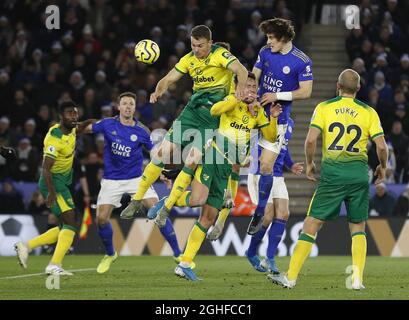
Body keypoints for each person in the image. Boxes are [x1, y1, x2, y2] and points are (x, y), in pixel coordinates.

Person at [269, 69, 388, 290]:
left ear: (338, 86)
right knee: (358, 227)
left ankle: (291, 277)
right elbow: (381, 146)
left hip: (333, 174)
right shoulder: (368, 111)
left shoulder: (324, 108)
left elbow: (310, 141)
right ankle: (356, 280)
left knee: (311, 224)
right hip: (359, 174)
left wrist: (311, 163)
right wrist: (382, 166)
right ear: (359, 89)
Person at [120, 25, 248, 220]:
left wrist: (241, 87)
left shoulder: (220, 55)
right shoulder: (189, 59)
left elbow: (241, 69)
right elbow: (169, 78)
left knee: (191, 161)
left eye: (200, 45)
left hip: (211, 119)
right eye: (193, 45)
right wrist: (158, 89)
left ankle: (167, 207)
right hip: (192, 112)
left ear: (210, 43)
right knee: (163, 152)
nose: (196, 49)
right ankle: (136, 200)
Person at [161, 72, 280, 281]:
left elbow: (270, 136)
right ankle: (167, 202)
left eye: (254, 86)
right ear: (239, 86)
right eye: (247, 85)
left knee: (208, 216)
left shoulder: (257, 111)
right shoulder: (231, 100)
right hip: (215, 156)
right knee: (197, 200)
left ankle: (185, 263)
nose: (251, 89)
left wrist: (272, 117)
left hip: (228, 168)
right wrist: (237, 98)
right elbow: (215, 110)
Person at [82, 92, 186, 273]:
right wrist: (66, 128)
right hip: (111, 180)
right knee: (101, 219)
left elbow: (154, 154)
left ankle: (178, 254)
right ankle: (110, 254)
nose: (128, 106)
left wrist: (161, 171)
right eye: (125, 103)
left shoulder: (142, 130)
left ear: (135, 107)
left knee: (158, 212)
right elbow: (87, 128)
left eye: (131, 103)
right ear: (118, 106)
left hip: (136, 179)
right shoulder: (107, 124)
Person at [247, 18, 313, 234]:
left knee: (266, 165)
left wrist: (277, 95)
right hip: (254, 116)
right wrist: (251, 96)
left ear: (284, 38)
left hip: (278, 120)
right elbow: (254, 76)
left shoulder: (301, 61)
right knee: (234, 158)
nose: (268, 42)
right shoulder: (265, 52)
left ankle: (259, 212)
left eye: (271, 38)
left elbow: (306, 91)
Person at [14, 101, 85, 275]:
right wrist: (51, 193)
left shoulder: (73, 128)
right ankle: (54, 264)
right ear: (61, 116)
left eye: (75, 113)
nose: (73, 116)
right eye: (69, 113)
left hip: (61, 183)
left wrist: (110, 121)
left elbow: (87, 124)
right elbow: (45, 168)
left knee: (65, 227)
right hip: (52, 183)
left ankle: (26, 246)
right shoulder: (54, 137)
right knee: (71, 223)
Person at [245, 118, 303, 273]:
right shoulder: (264, 117)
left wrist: (290, 165)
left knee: (283, 214)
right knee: (267, 216)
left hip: (277, 174)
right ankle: (251, 252)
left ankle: (269, 258)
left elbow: (283, 146)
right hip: (261, 173)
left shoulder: (289, 121)